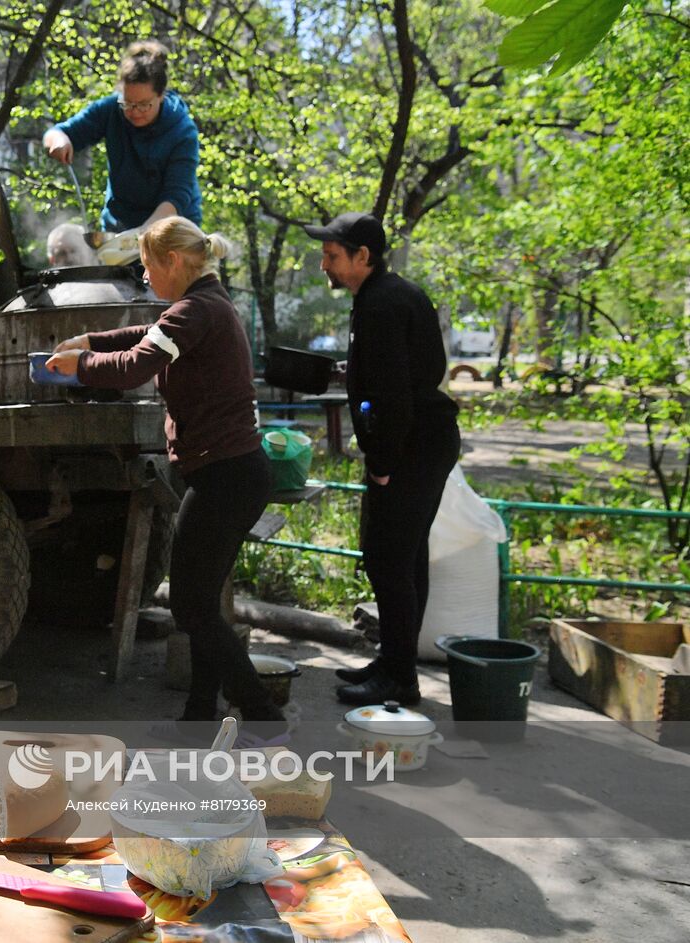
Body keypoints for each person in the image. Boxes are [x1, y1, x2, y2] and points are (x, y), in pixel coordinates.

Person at [46, 217, 283, 726]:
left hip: (226, 477)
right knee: (202, 603)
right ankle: (201, 709)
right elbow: (143, 333)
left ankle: (261, 712)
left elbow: (137, 363)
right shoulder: (204, 305)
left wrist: (81, 366)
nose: (146, 275)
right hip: (232, 473)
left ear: (174, 262)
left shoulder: (197, 310)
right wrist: (91, 338)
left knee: (192, 605)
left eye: (149, 266)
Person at [303, 212, 461, 706]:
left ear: (362, 257)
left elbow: (395, 395)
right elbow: (420, 368)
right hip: (426, 440)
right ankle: (395, 662)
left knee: (387, 558)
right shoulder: (391, 295)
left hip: (411, 447)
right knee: (406, 558)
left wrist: (382, 462)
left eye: (331, 255)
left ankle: (400, 680)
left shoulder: (381, 306)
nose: (323, 264)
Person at [42, 41, 202, 233]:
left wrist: (142, 235)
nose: (134, 112)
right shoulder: (111, 110)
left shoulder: (182, 131)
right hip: (119, 224)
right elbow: (56, 133)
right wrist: (60, 141)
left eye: (143, 104)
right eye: (128, 103)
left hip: (173, 228)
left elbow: (175, 198)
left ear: (161, 96)